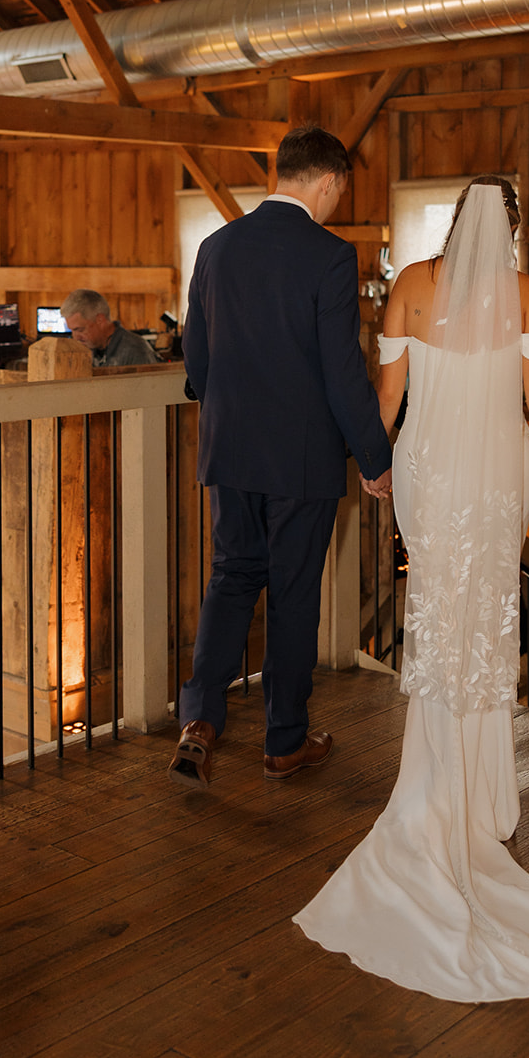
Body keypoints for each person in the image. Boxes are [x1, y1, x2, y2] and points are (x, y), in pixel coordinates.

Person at [294, 177, 529, 1003]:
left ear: (452, 225)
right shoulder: (526, 293)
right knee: (486, 620)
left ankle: (431, 788)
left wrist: (376, 468)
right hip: (494, 475)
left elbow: (386, 400)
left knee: (432, 609)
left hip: (426, 468)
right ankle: (481, 798)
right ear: (513, 232)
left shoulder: (408, 288)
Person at [171, 126, 392, 789]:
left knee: (232, 577)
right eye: (338, 193)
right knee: (293, 595)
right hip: (300, 459)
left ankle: (199, 720)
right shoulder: (329, 255)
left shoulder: (215, 245)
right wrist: (373, 458)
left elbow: (197, 353)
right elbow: (341, 373)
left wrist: (227, 415)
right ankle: (283, 742)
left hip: (229, 448)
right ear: (327, 182)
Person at [60, 289, 160, 366]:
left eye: (80, 330)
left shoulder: (136, 351)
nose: (75, 337)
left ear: (100, 320)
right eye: (72, 330)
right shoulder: (89, 348)